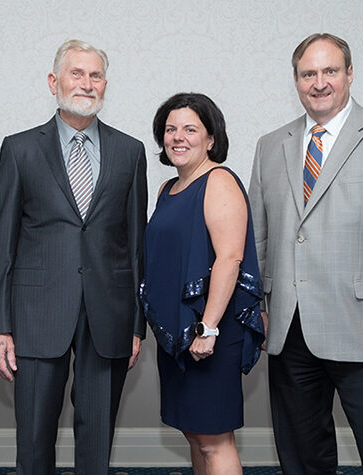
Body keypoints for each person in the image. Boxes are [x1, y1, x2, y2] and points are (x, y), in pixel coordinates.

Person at [248, 33, 363, 474]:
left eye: (330, 71)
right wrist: (256, 305)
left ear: (349, 74)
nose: (319, 83)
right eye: (308, 73)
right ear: (295, 80)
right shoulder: (270, 144)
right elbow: (258, 235)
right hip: (290, 331)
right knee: (301, 457)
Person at [0, 39, 147, 474]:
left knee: (97, 441)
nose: (86, 83)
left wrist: (136, 324)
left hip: (108, 316)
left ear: (105, 86)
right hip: (36, 313)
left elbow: (135, 245)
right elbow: (4, 245)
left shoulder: (130, 152)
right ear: (54, 81)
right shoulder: (19, 149)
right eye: (77, 73)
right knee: (34, 441)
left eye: (95, 76)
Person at [141, 93, 264, 475]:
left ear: (211, 138)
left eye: (190, 129)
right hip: (179, 335)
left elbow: (230, 259)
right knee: (195, 435)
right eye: (170, 129)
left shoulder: (219, 181)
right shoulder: (167, 190)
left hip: (209, 331)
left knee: (214, 439)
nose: (178, 137)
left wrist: (207, 329)